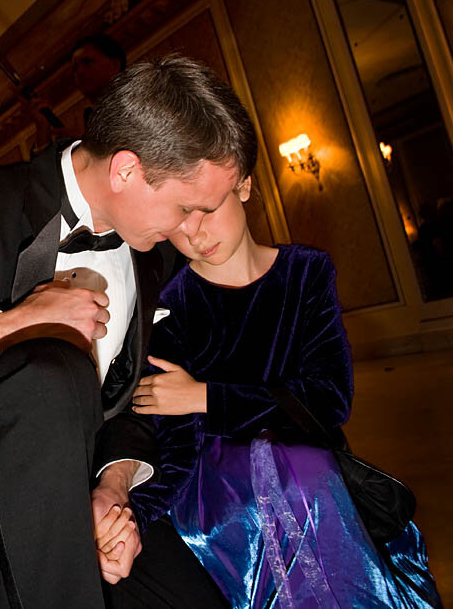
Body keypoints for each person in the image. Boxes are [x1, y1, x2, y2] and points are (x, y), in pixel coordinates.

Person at [0, 55, 257, 608]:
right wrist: (11, 323)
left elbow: (140, 400)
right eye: (186, 207)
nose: (192, 230)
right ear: (127, 170)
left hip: (81, 466)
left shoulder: (155, 253)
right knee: (50, 374)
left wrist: (112, 485)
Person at [126, 177, 442, 607]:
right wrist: (135, 513)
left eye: (206, 211)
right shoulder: (170, 304)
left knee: (304, 473)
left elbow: (329, 398)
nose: (195, 234)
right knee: (293, 478)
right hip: (222, 491)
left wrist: (206, 396)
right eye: (178, 221)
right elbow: (174, 443)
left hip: (310, 470)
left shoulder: (307, 271)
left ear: (241, 185)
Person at [27, 33, 127, 154]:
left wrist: (86, 144)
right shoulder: (90, 119)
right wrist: (43, 130)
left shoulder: (140, 101)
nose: (79, 71)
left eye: (87, 62)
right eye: (74, 68)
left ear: (114, 65)